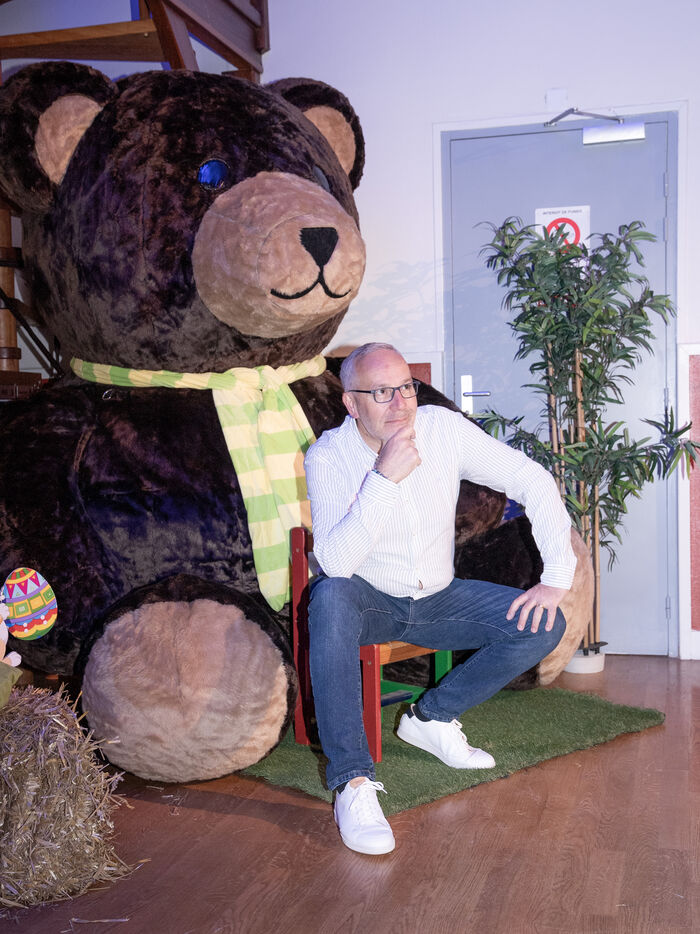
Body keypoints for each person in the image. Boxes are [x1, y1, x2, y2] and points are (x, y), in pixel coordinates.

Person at [304, 343, 576, 855]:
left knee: (544, 622)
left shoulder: (442, 429)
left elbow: (532, 479)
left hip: (438, 599)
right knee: (331, 595)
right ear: (350, 403)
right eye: (381, 392)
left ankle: (430, 718)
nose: (400, 403)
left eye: (406, 387)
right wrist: (384, 479)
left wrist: (557, 576)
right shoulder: (328, 456)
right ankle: (352, 783)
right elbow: (335, 563)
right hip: (370, 603)